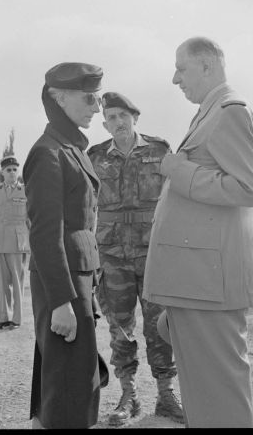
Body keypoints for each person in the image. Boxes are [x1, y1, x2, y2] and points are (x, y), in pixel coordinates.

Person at [143, 37, 253, 428]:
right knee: (203, 390)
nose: (175, 78)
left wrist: (178, 170)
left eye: (182, 68)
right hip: (198, 280)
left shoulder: (231, 112)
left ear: (208, 67)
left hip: (210, 281)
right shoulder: (210, 112)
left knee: (221, 391)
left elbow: (247, 189)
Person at [87, 92, 183, 426]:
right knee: (120, 328)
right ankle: (129, 396)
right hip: (112, 255)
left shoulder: (158, 151)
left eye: (122, 116)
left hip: (153, 253)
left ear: (135, 118)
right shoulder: (95, 157)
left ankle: (166, 395)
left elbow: (176, 198)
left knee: (159, 325)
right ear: (104, 123)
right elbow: (86, 207)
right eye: (111, 118)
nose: (117, 123)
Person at [22, 62, 105, 429]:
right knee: (71, 388)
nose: (95, 107)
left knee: (72, 380)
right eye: (89, 98)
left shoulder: (70, 147)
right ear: (58, 98)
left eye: (97, 98)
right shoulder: (48, 153)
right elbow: (45, 233)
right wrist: (61, 302)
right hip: (65, 287)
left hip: (78, 281)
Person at [0, 155, 30, 330]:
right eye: (8, 170)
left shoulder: (26, 190)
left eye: (14, 169)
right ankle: (3, 318)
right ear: (2, 172)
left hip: (18, 240)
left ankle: (16, 319)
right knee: (1, 281)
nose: (12, 172)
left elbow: (30, 218)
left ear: (18, 172)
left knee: (17, 280)